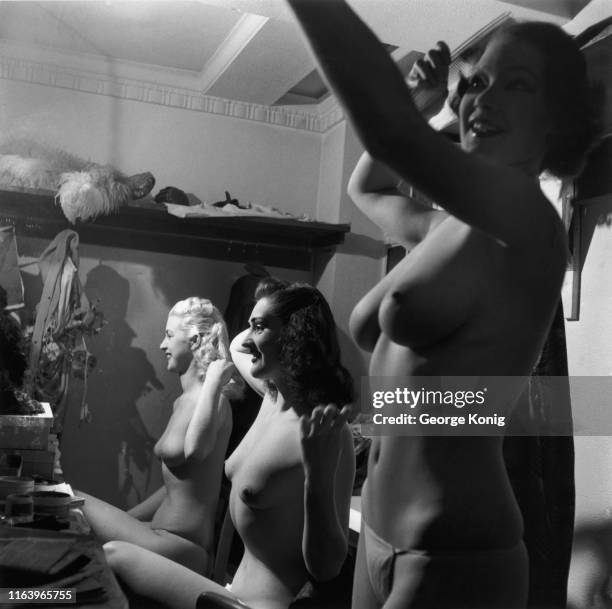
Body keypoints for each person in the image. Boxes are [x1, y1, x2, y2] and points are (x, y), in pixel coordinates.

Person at [285, 2, 601, 608]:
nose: (484, 98)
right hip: (378, 532)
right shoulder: (441, 228)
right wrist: (431, 108)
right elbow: (369, 186)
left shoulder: (529, 224)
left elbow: (390, 133)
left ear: (557, 120)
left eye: (517, 84)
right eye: (478, 81)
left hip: (454, 550)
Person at [104, 279, 356, 609]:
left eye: (260, 327)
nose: (248, 339)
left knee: (114, 558)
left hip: (260, 606)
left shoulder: (325, 433)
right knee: (111, 557)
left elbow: (326, 568)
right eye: (250, 325)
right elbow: (237, 344)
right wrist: (266, 308)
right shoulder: (272, 395)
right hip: (228, 590)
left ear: (293, 336)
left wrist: (319, 479)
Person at [77, 297, 240, 574]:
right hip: (158, 532)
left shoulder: (214, 402)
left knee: (69, 501)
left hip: (180, 544)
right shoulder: (183, 402)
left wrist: (213, 382)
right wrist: (123, 519)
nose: (162, 345)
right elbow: (174, 485)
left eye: (169, 335)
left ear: (196, 341)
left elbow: (194, 451)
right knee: (69, 513)